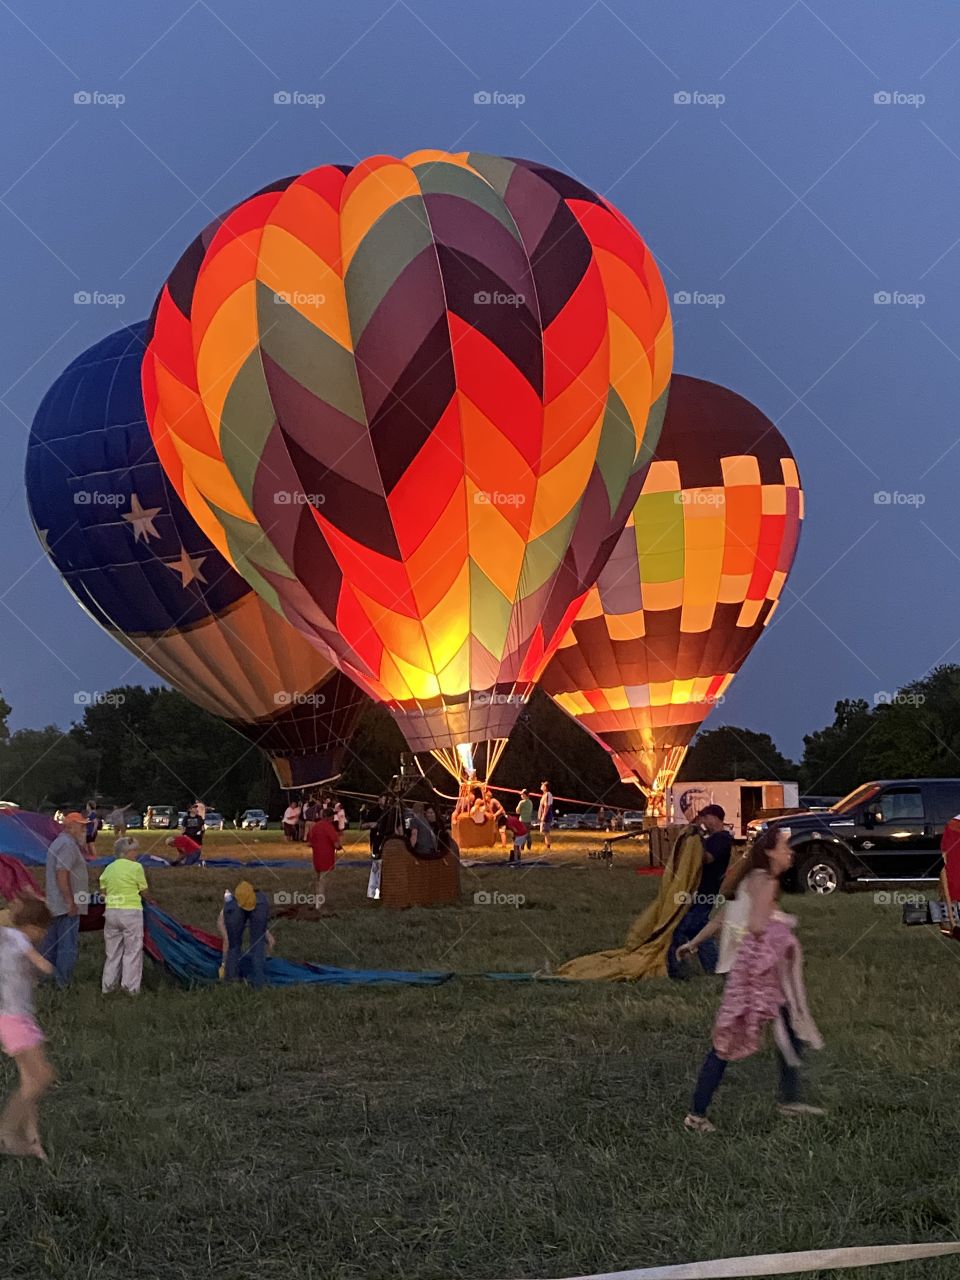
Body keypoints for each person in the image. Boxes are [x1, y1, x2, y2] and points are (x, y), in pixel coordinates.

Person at [683, 828, 825, 1133]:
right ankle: (696, 1115)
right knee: (727, 1042)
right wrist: (782, 933)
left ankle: (789, 1100)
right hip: (755, 976)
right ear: (770, 852)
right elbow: (758, 926)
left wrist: (694, 943)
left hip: (758, 973)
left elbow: (726, 917)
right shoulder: (766, 881)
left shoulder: (753, 879)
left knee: (788, 1026)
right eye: (785, 847)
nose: (791, 852)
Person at [0, 897, 56, 1159]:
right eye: (42, 930)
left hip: (15, 1018)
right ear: (32, 926)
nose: (43, 935)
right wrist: (44, 965)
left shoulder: (6, 936)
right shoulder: (20, 939)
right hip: (15, 1020)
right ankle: (8, 1132)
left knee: (29, 1081)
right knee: (43, 1076)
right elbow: (43, 964)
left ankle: (33, 1140)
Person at [667, 805, 734, 979]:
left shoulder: (722, 839)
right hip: (701, 892)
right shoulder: (713, 838)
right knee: (699, 931)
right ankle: (715, 967)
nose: (703, 821)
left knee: (681, 931)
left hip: (706, 893)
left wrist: (697, 841)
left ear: (714, 818)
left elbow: (707, 858)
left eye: (704, 817)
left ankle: (676, 969)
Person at [42, 812, 90, 988]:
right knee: (67, 945)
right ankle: (63, 983)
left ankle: (46, 979)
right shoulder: (68, 845)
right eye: (82, 825)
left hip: (54, 902)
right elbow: (62, 874)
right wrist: (70, 901)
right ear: (71, 826)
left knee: (51, 943)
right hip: (65, 903)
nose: (85, 829)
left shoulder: (58, 843)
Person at [99, 836, 148, 996]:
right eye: (135, 850)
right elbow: (144, 891)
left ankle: (108, 987)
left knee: (112, 953)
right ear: (127, 852)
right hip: (131, 912)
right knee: (132, 952)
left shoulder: (108, 868)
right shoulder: (136, 868)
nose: (136, 854)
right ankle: (130, 988)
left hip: (111, 913)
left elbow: (103, 892)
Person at [218, 882, 272, 988]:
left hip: (249, 900)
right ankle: (258, 981)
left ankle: (233, 979)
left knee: (237, 945)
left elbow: (230, 941)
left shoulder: (232, 904)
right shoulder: (232, 902)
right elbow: (222, 926)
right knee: (256, 944)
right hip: (249, 900)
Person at [308, 810, 341, 908]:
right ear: (330, 817)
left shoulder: (315, 826)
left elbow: (310, 842)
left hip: (316, 856)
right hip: (326, 857)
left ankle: (317, 899)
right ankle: (319, 904)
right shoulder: (329, 827)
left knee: (318, 879)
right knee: (323, 880)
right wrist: (339, 847)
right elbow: (336, 843)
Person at [538, 782, 554, 850]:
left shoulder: (548, 794)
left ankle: (548, 847)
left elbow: (546, 806)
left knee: (546, 832)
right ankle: (547, 845)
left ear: (546, 787)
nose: (541, 786)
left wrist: (543, 816)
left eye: (543, 785)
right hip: (545, 816)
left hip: (546, 816)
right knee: (545, 832)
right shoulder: (545, 794)